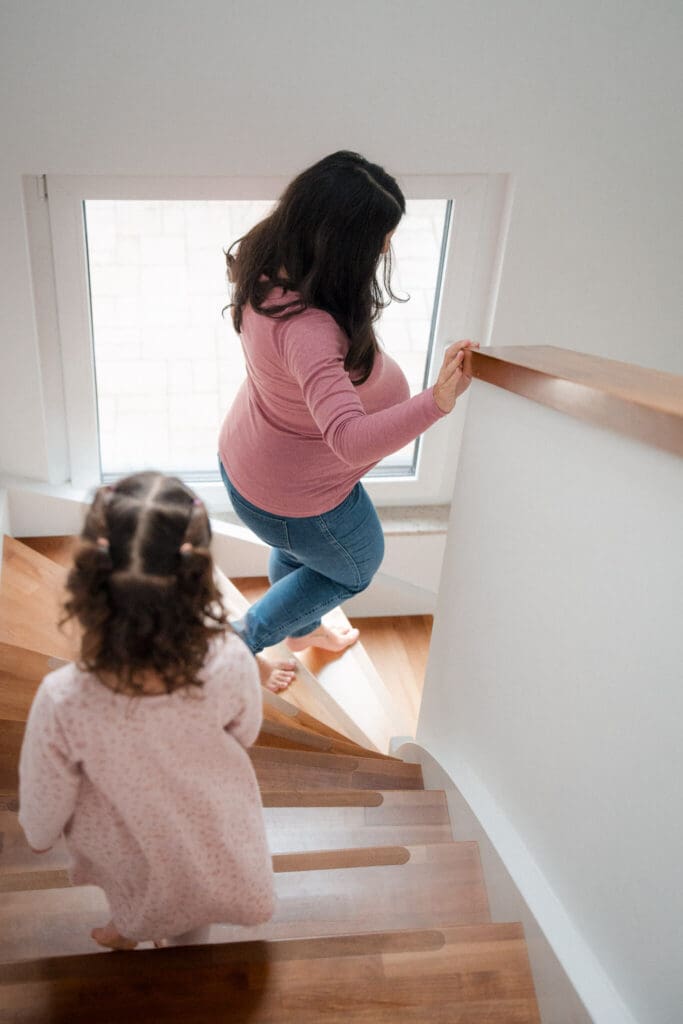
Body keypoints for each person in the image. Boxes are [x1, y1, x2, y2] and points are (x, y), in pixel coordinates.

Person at [219, 150, 476, 675]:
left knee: (303, 555)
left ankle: (303, 628)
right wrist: (436, 402)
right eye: (381, 235)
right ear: (343, 242)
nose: (388, 244)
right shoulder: (308, 327)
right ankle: (238, 647)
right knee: (354, 566)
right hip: (294, 496)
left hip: (254, 464)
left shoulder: (268, 257)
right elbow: (349, 440)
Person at [18, 472, 275, 950]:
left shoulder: (63, 699)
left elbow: (42, 808)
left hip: (123, 834)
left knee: (136, 883)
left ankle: (130, 926)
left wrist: (39, 831)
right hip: (209, 826)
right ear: (197, 577)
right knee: (192, 901)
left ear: (90, 581)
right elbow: (246, 733)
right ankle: (170, 938)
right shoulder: (232, 659)